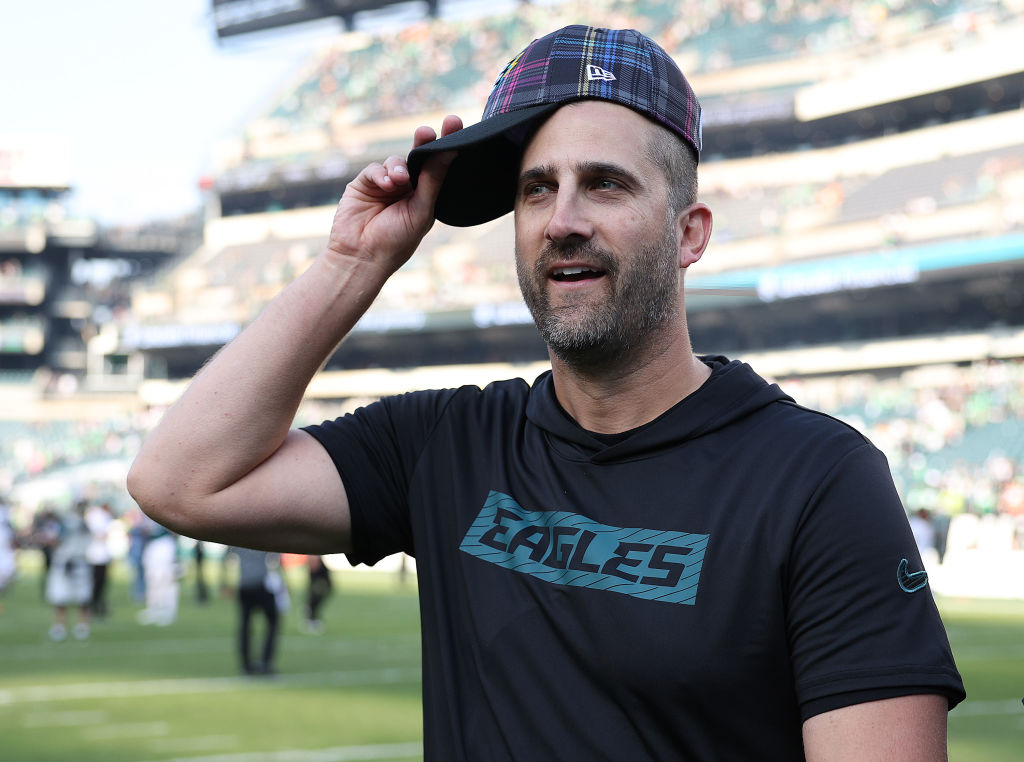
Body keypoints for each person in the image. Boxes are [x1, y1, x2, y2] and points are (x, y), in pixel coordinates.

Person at [128, 25, 965, 760]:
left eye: (605, 183)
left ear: (689, 233)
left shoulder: (818, 480)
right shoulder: (448, 443)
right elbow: (181, 481)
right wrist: (354, 265)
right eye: (536, 188)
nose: (562, 217)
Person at [225, 547, 283, 675]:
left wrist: (225, 582)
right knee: (272, 621)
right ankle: (266, 662)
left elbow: (226, 557)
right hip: (261, 584)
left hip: (244, 585)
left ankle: (246, 665)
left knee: (245, 625)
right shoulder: (261, 534)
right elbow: (276, 558)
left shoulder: (238, 536)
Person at [45, 501, 93, 641]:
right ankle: (72, 627)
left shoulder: (74, 523)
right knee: (63, 596)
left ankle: (68, 627)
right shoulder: (77, 523)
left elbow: (56, 540)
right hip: (71, 562)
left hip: (74, 561)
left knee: (77, 597)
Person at [84, 501, 114, 617]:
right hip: (96, 556)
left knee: (98, 583)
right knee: (97, 583)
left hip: (99, 555)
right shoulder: (99, 516)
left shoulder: (96, 516)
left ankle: (96, 604)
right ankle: (95, 605)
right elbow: (101, 534)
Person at [304, 554, 333, 633]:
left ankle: (313, 620)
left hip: (322, 585)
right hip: (318, 585)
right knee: (312, 604)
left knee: (314, 603)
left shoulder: (315, 558)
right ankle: (312, 620)